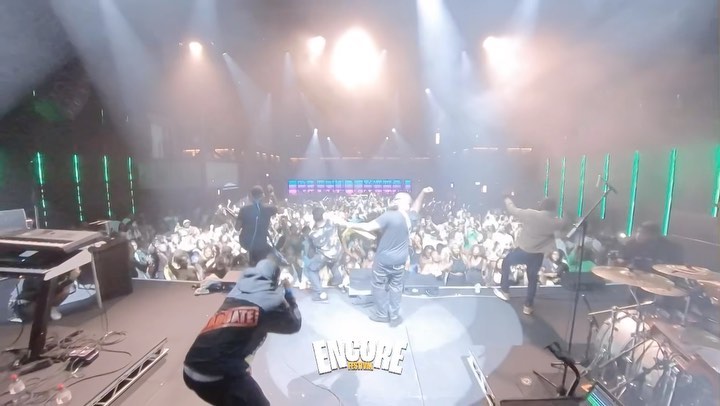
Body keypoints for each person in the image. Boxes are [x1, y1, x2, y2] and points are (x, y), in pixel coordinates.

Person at [183, 254, 301, 406]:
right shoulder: (271, 303)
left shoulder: (235, 293)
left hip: (190, 368)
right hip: (215, 377)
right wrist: (289, 292)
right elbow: (295, 324)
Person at [342, 187, 433, 326]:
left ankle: (382, 314)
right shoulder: (410, 218)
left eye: (396, 199)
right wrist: (423, 193)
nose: (393, 200)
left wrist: (347, 224)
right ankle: (394, 315)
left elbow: (368, 227)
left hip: (384, 260)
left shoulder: (390, 215)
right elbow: (416, 208)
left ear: (402, 202)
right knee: (396, 287)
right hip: (400, 260)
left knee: (378, 285)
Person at [493, 197, 566, 315]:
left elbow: (513, 210)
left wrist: (507, 199)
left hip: (523, 251)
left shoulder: (531, 214)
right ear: (553, 208)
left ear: (542, 206)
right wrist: (565, 214)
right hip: (537, 255)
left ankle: (505, 292)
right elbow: (566, 222)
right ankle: (528, 306)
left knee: (506, 261)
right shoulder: (556, 222)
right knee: (532, 279)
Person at [303, 207, 344, 301]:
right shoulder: (332, 223)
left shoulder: (313, 233)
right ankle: (338, 280)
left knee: (311, 269)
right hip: (337, 252)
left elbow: (313, 249)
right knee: (331, 262)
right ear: (323, 215)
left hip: (326, 255)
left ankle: (319, 293)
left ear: (313, 217)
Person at [236, 185, 278, 266]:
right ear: (262, 195)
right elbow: (278, 207)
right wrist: (272, 194)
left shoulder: (243, 209)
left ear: (251, 196)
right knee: (263, 263)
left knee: (252, 264)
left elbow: (237, 228)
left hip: (247, 243)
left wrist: (244, 221)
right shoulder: (267, 208)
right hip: (261, 243)